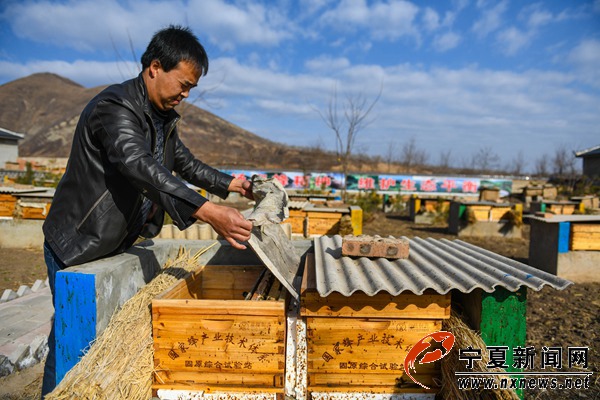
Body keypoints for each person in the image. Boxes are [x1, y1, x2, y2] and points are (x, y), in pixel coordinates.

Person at [40, 25, 253, 396]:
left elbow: (183, 163)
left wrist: (231, 185)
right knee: (71, 347)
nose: (185, 95)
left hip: (112, 243)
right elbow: (139, 166)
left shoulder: (162, 118)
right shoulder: (115, 107)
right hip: (77, 244)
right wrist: (206, 210)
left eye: (191, 89)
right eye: (183, 84)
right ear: (155, 66)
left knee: (101, 347)